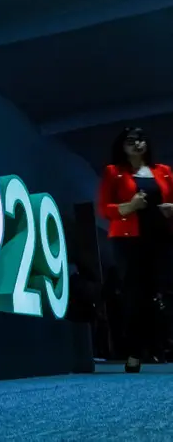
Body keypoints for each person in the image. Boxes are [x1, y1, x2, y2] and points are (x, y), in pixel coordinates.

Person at [98, 127, 173, 372]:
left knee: (165, 292)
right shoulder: (114, 172)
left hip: (162, 239)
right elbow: (104, 208)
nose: (137, 143)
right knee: (134, 296)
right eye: (131, 140)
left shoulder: (163, 171)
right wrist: (129, 206)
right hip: (129, 241)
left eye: (141, 139)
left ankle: (162, 346)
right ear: (122, 146)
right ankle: (134, 352)